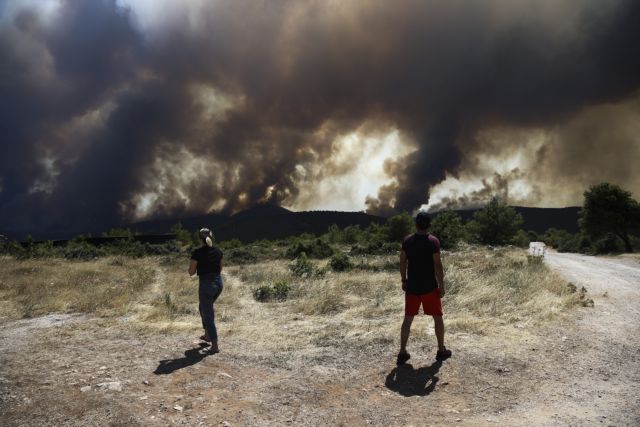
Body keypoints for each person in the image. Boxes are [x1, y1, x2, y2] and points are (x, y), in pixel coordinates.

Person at [397, 211, 451, 365]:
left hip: (412, 287)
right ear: (430, 225)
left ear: (416, 225)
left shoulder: (407, 241)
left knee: (407, 319)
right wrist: (441, 285)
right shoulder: (433, 241)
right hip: (429, 287)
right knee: (438, 318)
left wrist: (403, 280)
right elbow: (437, 265)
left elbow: (402, 262)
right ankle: (441, 349)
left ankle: (402, 351)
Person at [189, 228, 224, 354]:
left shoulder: (197, 253)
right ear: (211, 237)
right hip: (219, 283)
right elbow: (220, 269)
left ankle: (214, 345)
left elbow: (191, 272)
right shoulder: (218, 251)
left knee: (208, 314)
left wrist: (198, 265)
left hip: (206, 286)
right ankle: (207, 334)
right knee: (202, 307)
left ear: (199, 239)